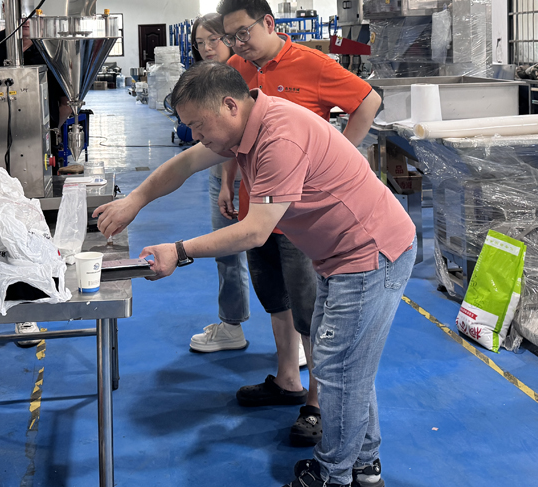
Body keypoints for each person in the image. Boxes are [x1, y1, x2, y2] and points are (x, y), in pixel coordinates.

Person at [93, 61, 415, 487]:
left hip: (370, 254)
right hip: (339, 256)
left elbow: (255, 230)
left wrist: (179, 251)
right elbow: (186, 163)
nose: (195, 135)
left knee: (339, 370)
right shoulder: (243, 127)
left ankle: (331, 475)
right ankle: (365, 465)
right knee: (344, 364)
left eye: (198, 124)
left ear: (229, 105)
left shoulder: (279, 136)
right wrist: (134, 200)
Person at [215, 0, 382, 447]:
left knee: (311, 309)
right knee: (275, 297)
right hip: (257, 209)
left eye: (243, 33)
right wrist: (228, 182)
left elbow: (369, 101)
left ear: (269, 23)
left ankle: (317, 402)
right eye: (230, 37)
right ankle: (288, 379)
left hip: (300, 215)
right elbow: (230, 132)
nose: (237, 44)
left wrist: (339, 155)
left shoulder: (311, 64)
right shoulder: (236, 70)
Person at [0, 2, 72, 354]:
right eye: (21, 14)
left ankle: (24, 309)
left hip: (36, 157)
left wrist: (46, 136)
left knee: (27, 237)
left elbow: (64, 103)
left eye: (32, 14)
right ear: (9, 10)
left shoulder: (49, 50)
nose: (27, 22)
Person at [183, 13, 257, 354]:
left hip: (257, 177)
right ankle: (231, 324)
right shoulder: (204, 82)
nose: (207, 48)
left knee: (281, 258)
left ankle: (300, 337)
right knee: (226, 253)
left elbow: (236, 140)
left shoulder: (245, 77)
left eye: (213, 39)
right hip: (222, 176)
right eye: (200, 43)